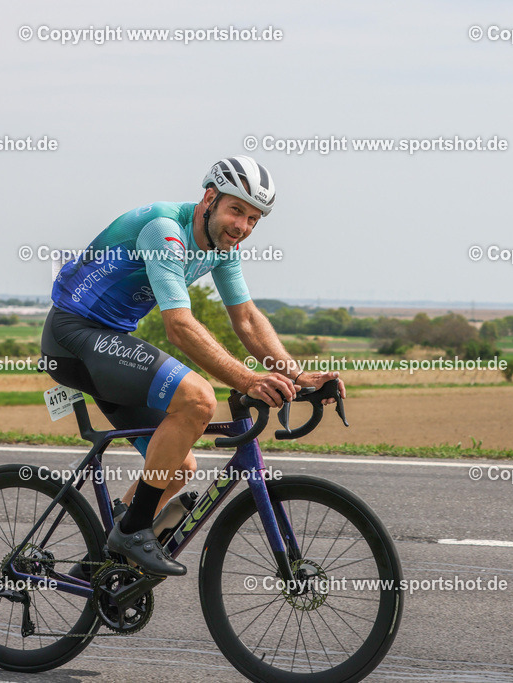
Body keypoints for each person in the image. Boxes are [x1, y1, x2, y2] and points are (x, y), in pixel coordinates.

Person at [40, 156, 345, 576]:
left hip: (109, 341)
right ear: (209, 198)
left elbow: (247, 318)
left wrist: (296, 374)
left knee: (176, 468)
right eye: (236, 210)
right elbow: (179, 326)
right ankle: (131, 532)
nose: (242, 226)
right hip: (74, 336)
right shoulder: (165, 231)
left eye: (254, 219)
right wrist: (249, 379)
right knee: (198, 398)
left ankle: (100, 570)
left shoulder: (223, 247)